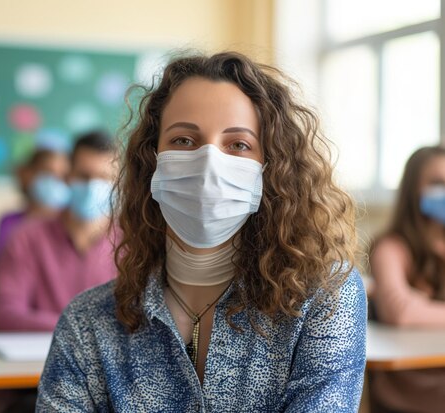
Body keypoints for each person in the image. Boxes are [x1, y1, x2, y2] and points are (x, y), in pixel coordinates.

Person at [37, 52, 367, 412]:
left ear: (271, 169)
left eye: (238, 145)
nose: (209, 164)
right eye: (183, 141)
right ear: (152, 163)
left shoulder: (323, 299)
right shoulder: (88, 323)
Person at [0, 130, 118, 332]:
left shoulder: (133, 243)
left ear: (119, 184)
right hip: (39, 358)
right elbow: (4, 313)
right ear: (67, 177)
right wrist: (78, 330)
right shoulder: (27, 237)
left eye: (104, 178)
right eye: (83, 176)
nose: (92, 186)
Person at [369, 146, 445, 413]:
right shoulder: (392, 248)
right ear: (413, 189)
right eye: (437, 183)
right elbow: (401, 312)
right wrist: (414, 307)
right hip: (411, 387)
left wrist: (424, 308)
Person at [0, 148, 70, 262]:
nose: (55, 181)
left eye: (61, 176)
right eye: (48, 173)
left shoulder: (70, 225)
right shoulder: (9, 222)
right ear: (28, 174)